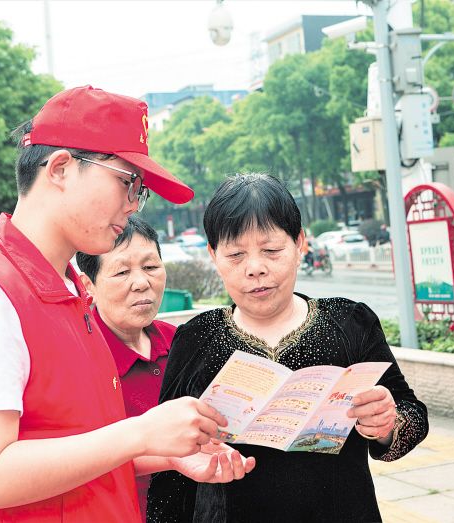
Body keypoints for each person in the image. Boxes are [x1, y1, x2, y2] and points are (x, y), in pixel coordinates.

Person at [0, 86, 254, 522]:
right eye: (126, 182)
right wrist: (140, 433)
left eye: (140, 190)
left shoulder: (70, 293)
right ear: (60, 168)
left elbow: (72, 450)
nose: (133, 203)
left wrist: (163, 455)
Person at [148, 173, 429, 522]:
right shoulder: (196, 338)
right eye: (235, 255)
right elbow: (169, 461)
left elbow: (413, 418)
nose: (255, 269)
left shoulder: (350, 323)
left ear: (299, 244)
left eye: (271, 250)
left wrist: (388, 425)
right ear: (213, 256)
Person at [76, 214, 175, 521]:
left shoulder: (180, 341)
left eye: (150, 267)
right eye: (121, 272)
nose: (142, 283)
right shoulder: (80, 358)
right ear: (88, 285)